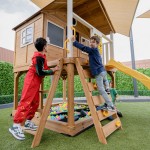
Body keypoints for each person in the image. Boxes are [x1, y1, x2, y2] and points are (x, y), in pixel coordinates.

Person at [9, 37, 59, 140]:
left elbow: (42, 69)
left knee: (35, 102)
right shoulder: (38, 57)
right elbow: (40, 72)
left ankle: (27, 121)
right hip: (31, 81)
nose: (48, 46)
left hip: (36, 82)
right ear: (44, 47)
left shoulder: (42, 56)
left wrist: (51, 69)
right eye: (47, 45)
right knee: (26, 102)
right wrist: (52, 70)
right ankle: (15, 125)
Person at [71, 35, 115, 111]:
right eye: (90, 42)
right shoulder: (96, 51)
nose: (91, 44)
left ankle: (110, 105)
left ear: (97, 44)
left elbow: (83, 48)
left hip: (98, 73)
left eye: (93, 42)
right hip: (103, 71)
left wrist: (74, 42)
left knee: (101, 90)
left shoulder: (93, 50)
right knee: (105, 80)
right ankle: (107, 88)